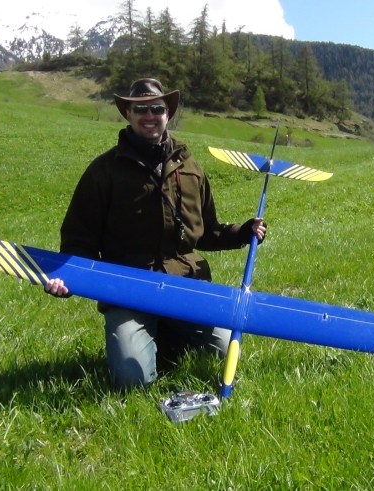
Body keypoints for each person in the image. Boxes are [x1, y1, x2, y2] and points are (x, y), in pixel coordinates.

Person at [44, 78, 266, 390]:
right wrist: (69, 279)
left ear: (168, 113)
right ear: (128, 114)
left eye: (157, 108)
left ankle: (167, 333)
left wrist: (243, 232)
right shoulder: (103, 171)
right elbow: (78, 239)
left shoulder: (191, 170)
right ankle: (147, 337)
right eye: (140, 109)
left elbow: (206, 232)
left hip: (185, 287)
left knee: (225, 352)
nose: (149, 115)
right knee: (132, 379)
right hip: (128, 290)